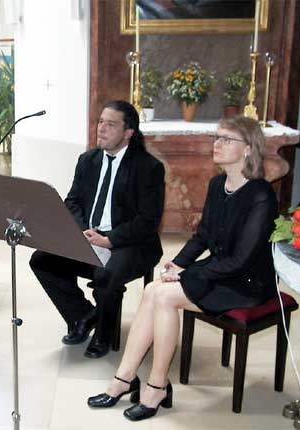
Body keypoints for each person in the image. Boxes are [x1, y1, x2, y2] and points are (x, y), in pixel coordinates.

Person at [87, 116, 278, 421]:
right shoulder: (218, 185)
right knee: (153, 290)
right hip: (219, 270)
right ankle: (124, 378)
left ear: (247, 149)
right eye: (217, 137)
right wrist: (178, 263)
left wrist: (186, 274)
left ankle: (156, 386)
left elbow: (241, 260)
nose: (217, 144)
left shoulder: (260, 195)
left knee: (164, 297)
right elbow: (203, 235)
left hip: (247, 283)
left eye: (226, 139)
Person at [29, 100, 165, 359]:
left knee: (107, 274)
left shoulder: (148, 168)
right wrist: (82, 231)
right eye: (100, 122)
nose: (101, 128)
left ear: (128, 132)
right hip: (88, 236)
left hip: (131, 243)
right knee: (42, 260)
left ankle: (104, 334)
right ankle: (84, 315)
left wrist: (109, 240)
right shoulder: (87, 160)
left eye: (110, 124)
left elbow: (148, 221)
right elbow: (72, 202)